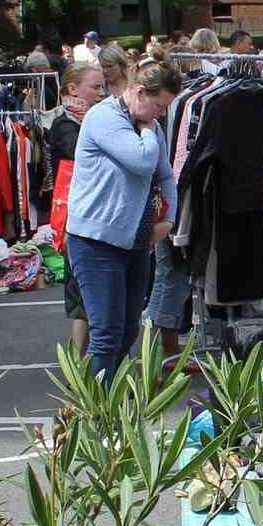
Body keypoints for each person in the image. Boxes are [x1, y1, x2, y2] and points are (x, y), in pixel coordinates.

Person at [64, 60, 182, 380]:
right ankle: (98, 410)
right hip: (95, 241)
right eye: (159, 106)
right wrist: (147, 131)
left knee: (128, 330)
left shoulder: (150, 127)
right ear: (139, 92)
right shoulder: (103, 117)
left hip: (135, 241)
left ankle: (116, 405)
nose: (161, 114)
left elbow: (166, 176)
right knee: (106, 332)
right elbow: (143, 163)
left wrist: (169, 219)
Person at [49, 63, 106, 352]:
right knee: (83, 298)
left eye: (102, 86)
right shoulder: (65, 125)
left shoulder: (88, 121)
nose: (101, 93)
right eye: (95, 87)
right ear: (72, 89)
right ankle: (79, 366)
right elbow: (84, 156)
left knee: (87, 299)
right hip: (77, 220)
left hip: (91, 216)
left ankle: (80, 365)